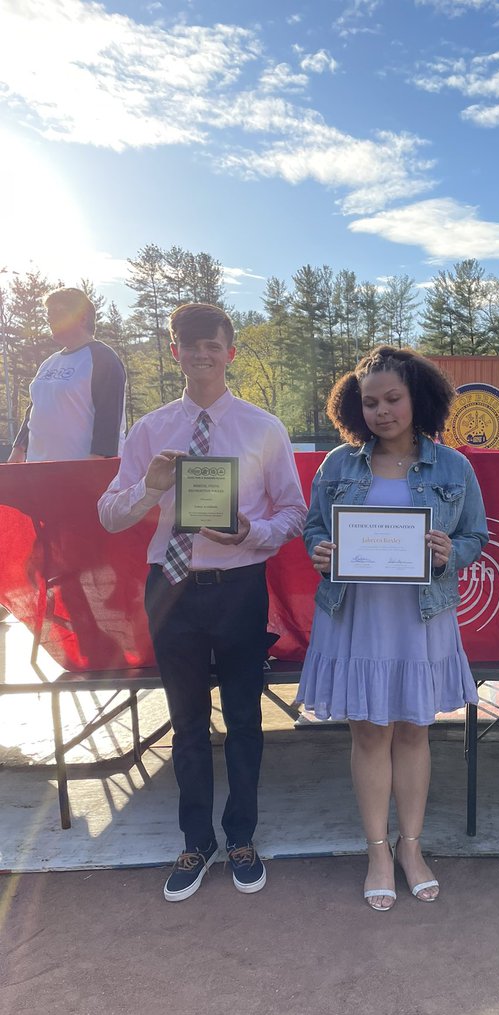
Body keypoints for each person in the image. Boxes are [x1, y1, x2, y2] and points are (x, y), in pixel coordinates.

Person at [98, 303, 307, 901]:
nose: (202, 356)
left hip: (238, 586)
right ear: (175, 353)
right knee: (186, 723)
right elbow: (110, 516)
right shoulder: (149, 431)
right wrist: (151, 488)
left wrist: (252, 534)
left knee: (244, 719)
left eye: (213, 346)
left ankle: (240, 836)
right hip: (172, 588)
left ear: (230, 350)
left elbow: (292, 511)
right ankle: (196, 841)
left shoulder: (264, 428)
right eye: (190, 347)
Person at [297, 346, 488, 911]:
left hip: (420, 617)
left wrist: (450, 550)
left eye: (393, 399)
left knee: (413, 731)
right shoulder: (338, 465)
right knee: (368, 734)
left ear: (418, 398)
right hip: (354, 617)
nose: (381, 411)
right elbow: (312, 530)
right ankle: (378, 850)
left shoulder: (454, 466)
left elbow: (476, 537)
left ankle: (411, 847)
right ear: (355, 409)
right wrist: (321, 549)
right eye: (370, 401)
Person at [8, 288, 126, 463]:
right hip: (38, 472)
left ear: (82, 317)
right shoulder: (49, 363)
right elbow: (34, 410)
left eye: (58, 312)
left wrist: (95, 465)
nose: (50, 320)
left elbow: (109, 420)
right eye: (49, 315)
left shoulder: (103, 358)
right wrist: (18, 449)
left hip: (82, 474)